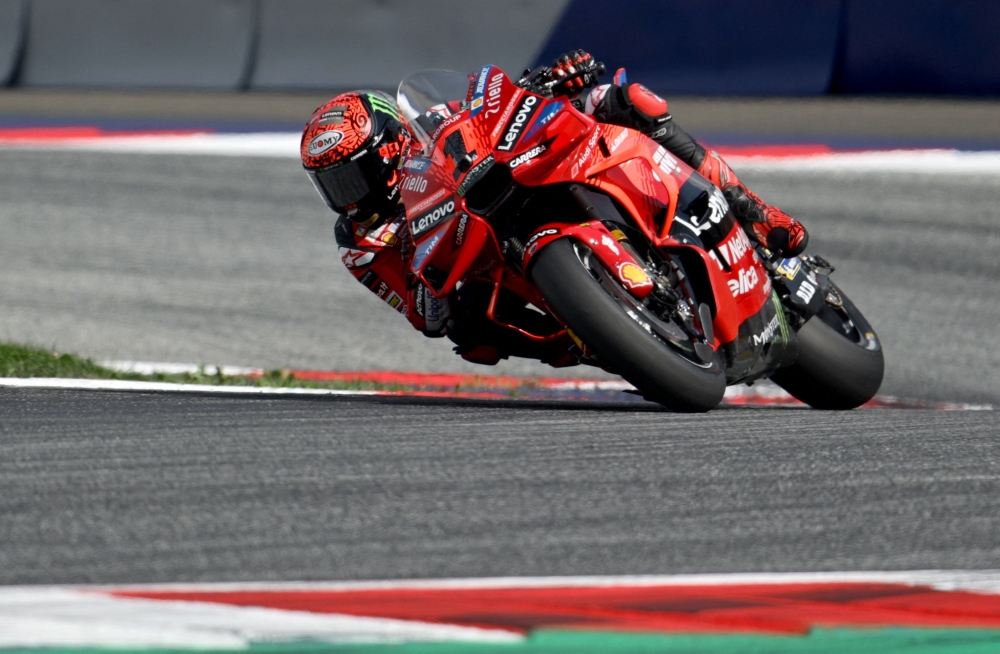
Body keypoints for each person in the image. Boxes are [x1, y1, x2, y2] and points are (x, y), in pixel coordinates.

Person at [300, 52, 809, 366]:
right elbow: (421, 316)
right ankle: (591, 333)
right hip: (484, 262)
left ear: (387, 146)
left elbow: (490, 109)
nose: (347, 195)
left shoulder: (432, 121)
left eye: (351, 175)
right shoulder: (361, 244)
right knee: (469, 331)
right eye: (331, 184)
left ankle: (756, 212)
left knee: (624, 100)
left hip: (518, 176)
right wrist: (432, 298)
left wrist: (546, 81)